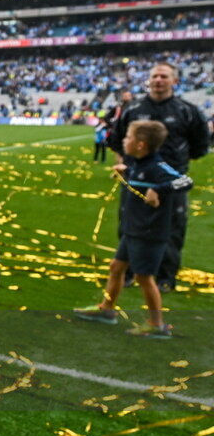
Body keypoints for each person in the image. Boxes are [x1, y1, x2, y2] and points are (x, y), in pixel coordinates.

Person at [75, 120, 193, 338]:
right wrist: (126, 170)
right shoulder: (137, 163)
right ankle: (107, 309)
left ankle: (157, 324)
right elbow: (139, 178)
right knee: (116, 268)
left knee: (144, 278)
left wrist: (159, 189)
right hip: (133, 230)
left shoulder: (157, 167)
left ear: (140, 144)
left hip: (149, 233)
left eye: (128, 137)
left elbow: (186, 181)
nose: (124, 140)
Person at [108, 62, 208, 292]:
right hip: (136, 181)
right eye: (154, 76)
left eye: (164, 76)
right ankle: (129, 272)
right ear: (149, 80)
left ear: (174, 80)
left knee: (172, 229)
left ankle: (165, 277)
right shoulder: (133, 109)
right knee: (129, 226)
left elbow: (200, 145)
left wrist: (173, 166)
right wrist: (124, 163)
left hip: (170, 183)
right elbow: (115, 139)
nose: (158, 80)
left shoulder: (187, 110)